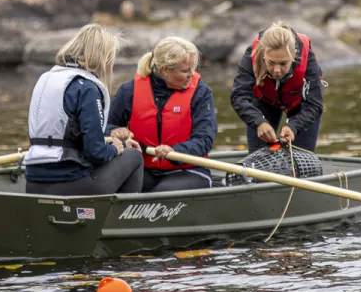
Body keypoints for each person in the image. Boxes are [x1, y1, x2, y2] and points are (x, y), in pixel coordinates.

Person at [23, 23, 143, 195]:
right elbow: (95, 153)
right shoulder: (87, 88)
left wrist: (111, 142)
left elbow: (69, 136)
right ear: (102, 57)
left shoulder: (46, 78)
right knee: (134, 156)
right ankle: (124, 219)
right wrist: (117, 148)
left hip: (33, 181)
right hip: (69, 182)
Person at [107, 36, 218, 192]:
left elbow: (204, 139)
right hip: (143, 169)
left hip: (187, 170)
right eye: (185, 70)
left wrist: (175, 151)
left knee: (162, 192)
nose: (192, 74)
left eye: (193, 68)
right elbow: (106, 126)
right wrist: (114, 132)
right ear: (165, 70)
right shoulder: (129, 91)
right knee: (118, 187)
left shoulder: (201, 92)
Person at [231, 21, 324, 153]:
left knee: (302, 160)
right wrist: (258, 121)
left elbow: (315, 105)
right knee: (258, 158)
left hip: (300, 104)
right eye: (271, 62)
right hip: (265, 100)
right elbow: (238, 96)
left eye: (283, 63)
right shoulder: (251, 55)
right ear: (263, 54)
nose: (277, 70)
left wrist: (293, 126)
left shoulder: (307, 58)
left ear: (294, 55)